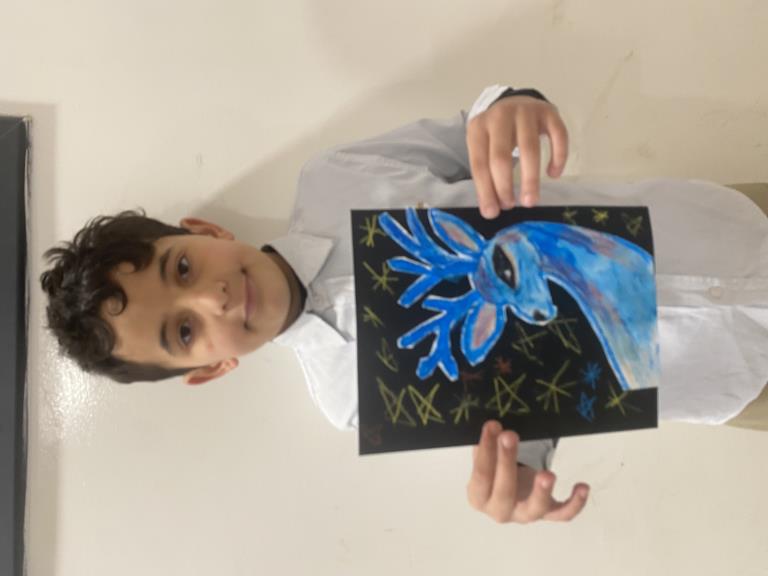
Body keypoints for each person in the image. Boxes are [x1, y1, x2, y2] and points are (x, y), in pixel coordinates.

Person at [40, 85, 768, 525]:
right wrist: (518, 472)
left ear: (205, 233)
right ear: (209, 368)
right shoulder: (351, 399)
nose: (213, 296)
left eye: (182, 266)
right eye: (184, 329)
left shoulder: (337, 178)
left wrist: (512, 105)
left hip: (727, 228)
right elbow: (520, 396)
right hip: (728, 375)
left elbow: (476, 126)